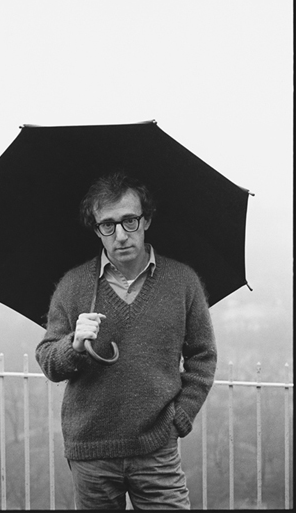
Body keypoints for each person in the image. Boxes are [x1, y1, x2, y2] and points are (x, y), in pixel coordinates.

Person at [35, 171, 217, 510]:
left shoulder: (183, 282)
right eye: (108, 224)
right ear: (96, 229)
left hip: (156, 449)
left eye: (130, 221)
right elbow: (47, 359)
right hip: (91, 454)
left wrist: (181, 415)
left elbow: (203, 356)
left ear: (146, 220)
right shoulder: (74, 286)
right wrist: (73, 345)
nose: (120, 235)